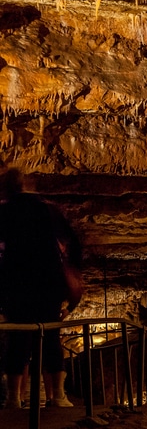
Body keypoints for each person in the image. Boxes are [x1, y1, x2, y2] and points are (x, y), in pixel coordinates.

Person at [0, 168, 83, 408]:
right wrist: (72, 269)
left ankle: (15, 398)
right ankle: (57, 396)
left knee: (18, 340)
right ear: (24, 185)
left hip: (16, 285)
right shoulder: (47, 209)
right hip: (48, 283)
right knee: (50, 338)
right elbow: (73, 243)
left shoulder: (4, 212)